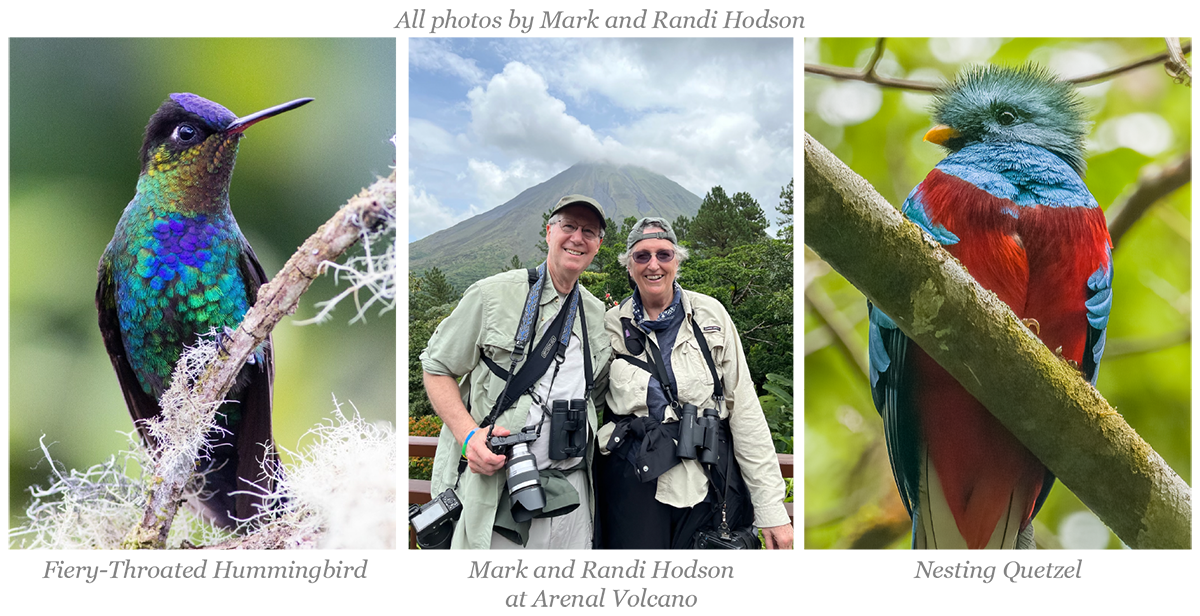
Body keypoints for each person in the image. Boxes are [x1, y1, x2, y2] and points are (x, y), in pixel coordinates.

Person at [421, 195, 611, 549]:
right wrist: (468, 437)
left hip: (572, 493)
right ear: (549, 231)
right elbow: (436, 368)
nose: (577, 238)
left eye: (589, 231)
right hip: (499, 494)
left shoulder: (596, 314)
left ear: (598, 245)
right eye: (568, 226)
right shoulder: (493, 294)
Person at [596, 217, 793, 549]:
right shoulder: (610, 325)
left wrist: (772, 510)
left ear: (678, 262)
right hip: (634, 487)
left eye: (664, 254)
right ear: (629, 267)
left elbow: (744, 410)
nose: (653, 265)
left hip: (708, 483)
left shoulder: (710, 316)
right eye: (642, 256)